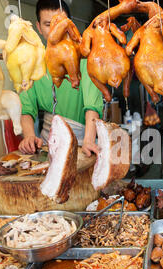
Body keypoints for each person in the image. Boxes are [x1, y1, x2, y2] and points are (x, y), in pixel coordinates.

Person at [18, 0, 103, 157]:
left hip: (83, 143)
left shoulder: (84, 58)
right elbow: (26, 107)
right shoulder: (32, 61)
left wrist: (89, 140)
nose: (55, 30)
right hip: (47, 144)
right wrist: (29, 136)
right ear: (39, 27)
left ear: (70, 25)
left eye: (61, 23)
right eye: (48, 24)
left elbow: (93, 105)